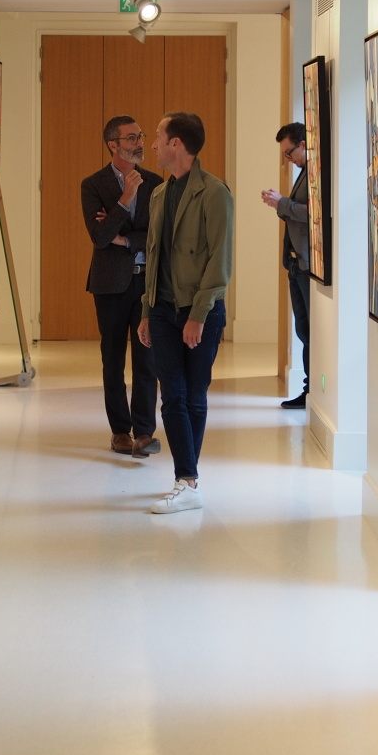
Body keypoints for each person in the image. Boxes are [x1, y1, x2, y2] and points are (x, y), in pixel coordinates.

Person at [137, 112, 234, 514]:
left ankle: (187, 481)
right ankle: (187, 479)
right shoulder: (160, 194)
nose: (153, 145)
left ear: (176, 144)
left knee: (194, 394)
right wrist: (147, 310)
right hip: (162, 310)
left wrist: (197, 315)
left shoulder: (214, 193)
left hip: (201, 312)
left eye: (159, 137)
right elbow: (154, 257)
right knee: (172, 395)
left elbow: (219, 262)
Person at [81, 116, 164, 457]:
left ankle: (144, 432)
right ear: (113, 144)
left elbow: (158, 234)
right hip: (109, 286)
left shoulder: (156, 183)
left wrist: (125, 239)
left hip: (146, 283)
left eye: (140, 136)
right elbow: (100, 237)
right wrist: (125, 198)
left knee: (147, 359)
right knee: (112, 360)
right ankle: (120, 431)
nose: (140, 143)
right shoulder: (93, 185)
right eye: (131, 138)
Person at [261, 123, 310, 409]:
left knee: (308, 331)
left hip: (306, 264)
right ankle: (309, 389)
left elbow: (314, 214)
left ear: (303, 144)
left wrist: (283, 203)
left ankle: (311, 390)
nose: (288, 159)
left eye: (289, 152)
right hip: (294, 264)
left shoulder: (316, 172)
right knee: (302, 329)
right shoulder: (303, 172)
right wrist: (280, 205)